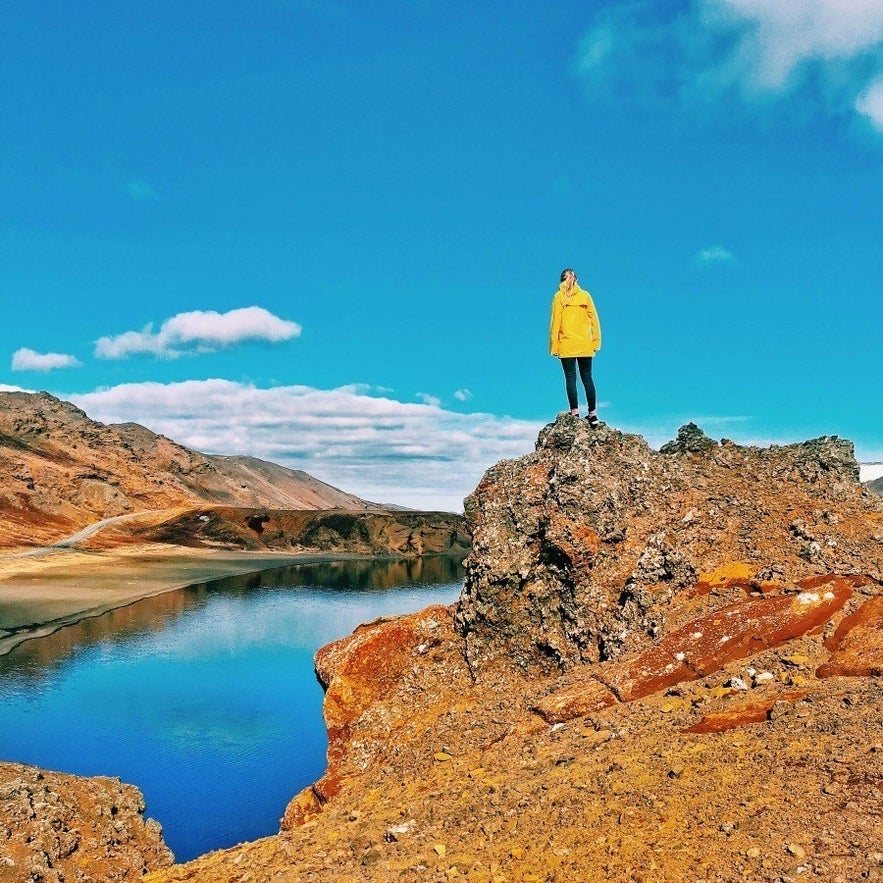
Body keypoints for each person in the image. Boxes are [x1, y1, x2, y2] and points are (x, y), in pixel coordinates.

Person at [549, 267, 603, 426]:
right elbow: (595, 320)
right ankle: (593, 415)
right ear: (576, 280)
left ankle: (574, 413)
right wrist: (596, 341)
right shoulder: (585, 296)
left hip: (566, 344)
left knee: (571, 378)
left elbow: (555, 323)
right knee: (587, 377)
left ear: (561, 281)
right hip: (585, 343)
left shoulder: (559, 297)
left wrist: (554, 345)